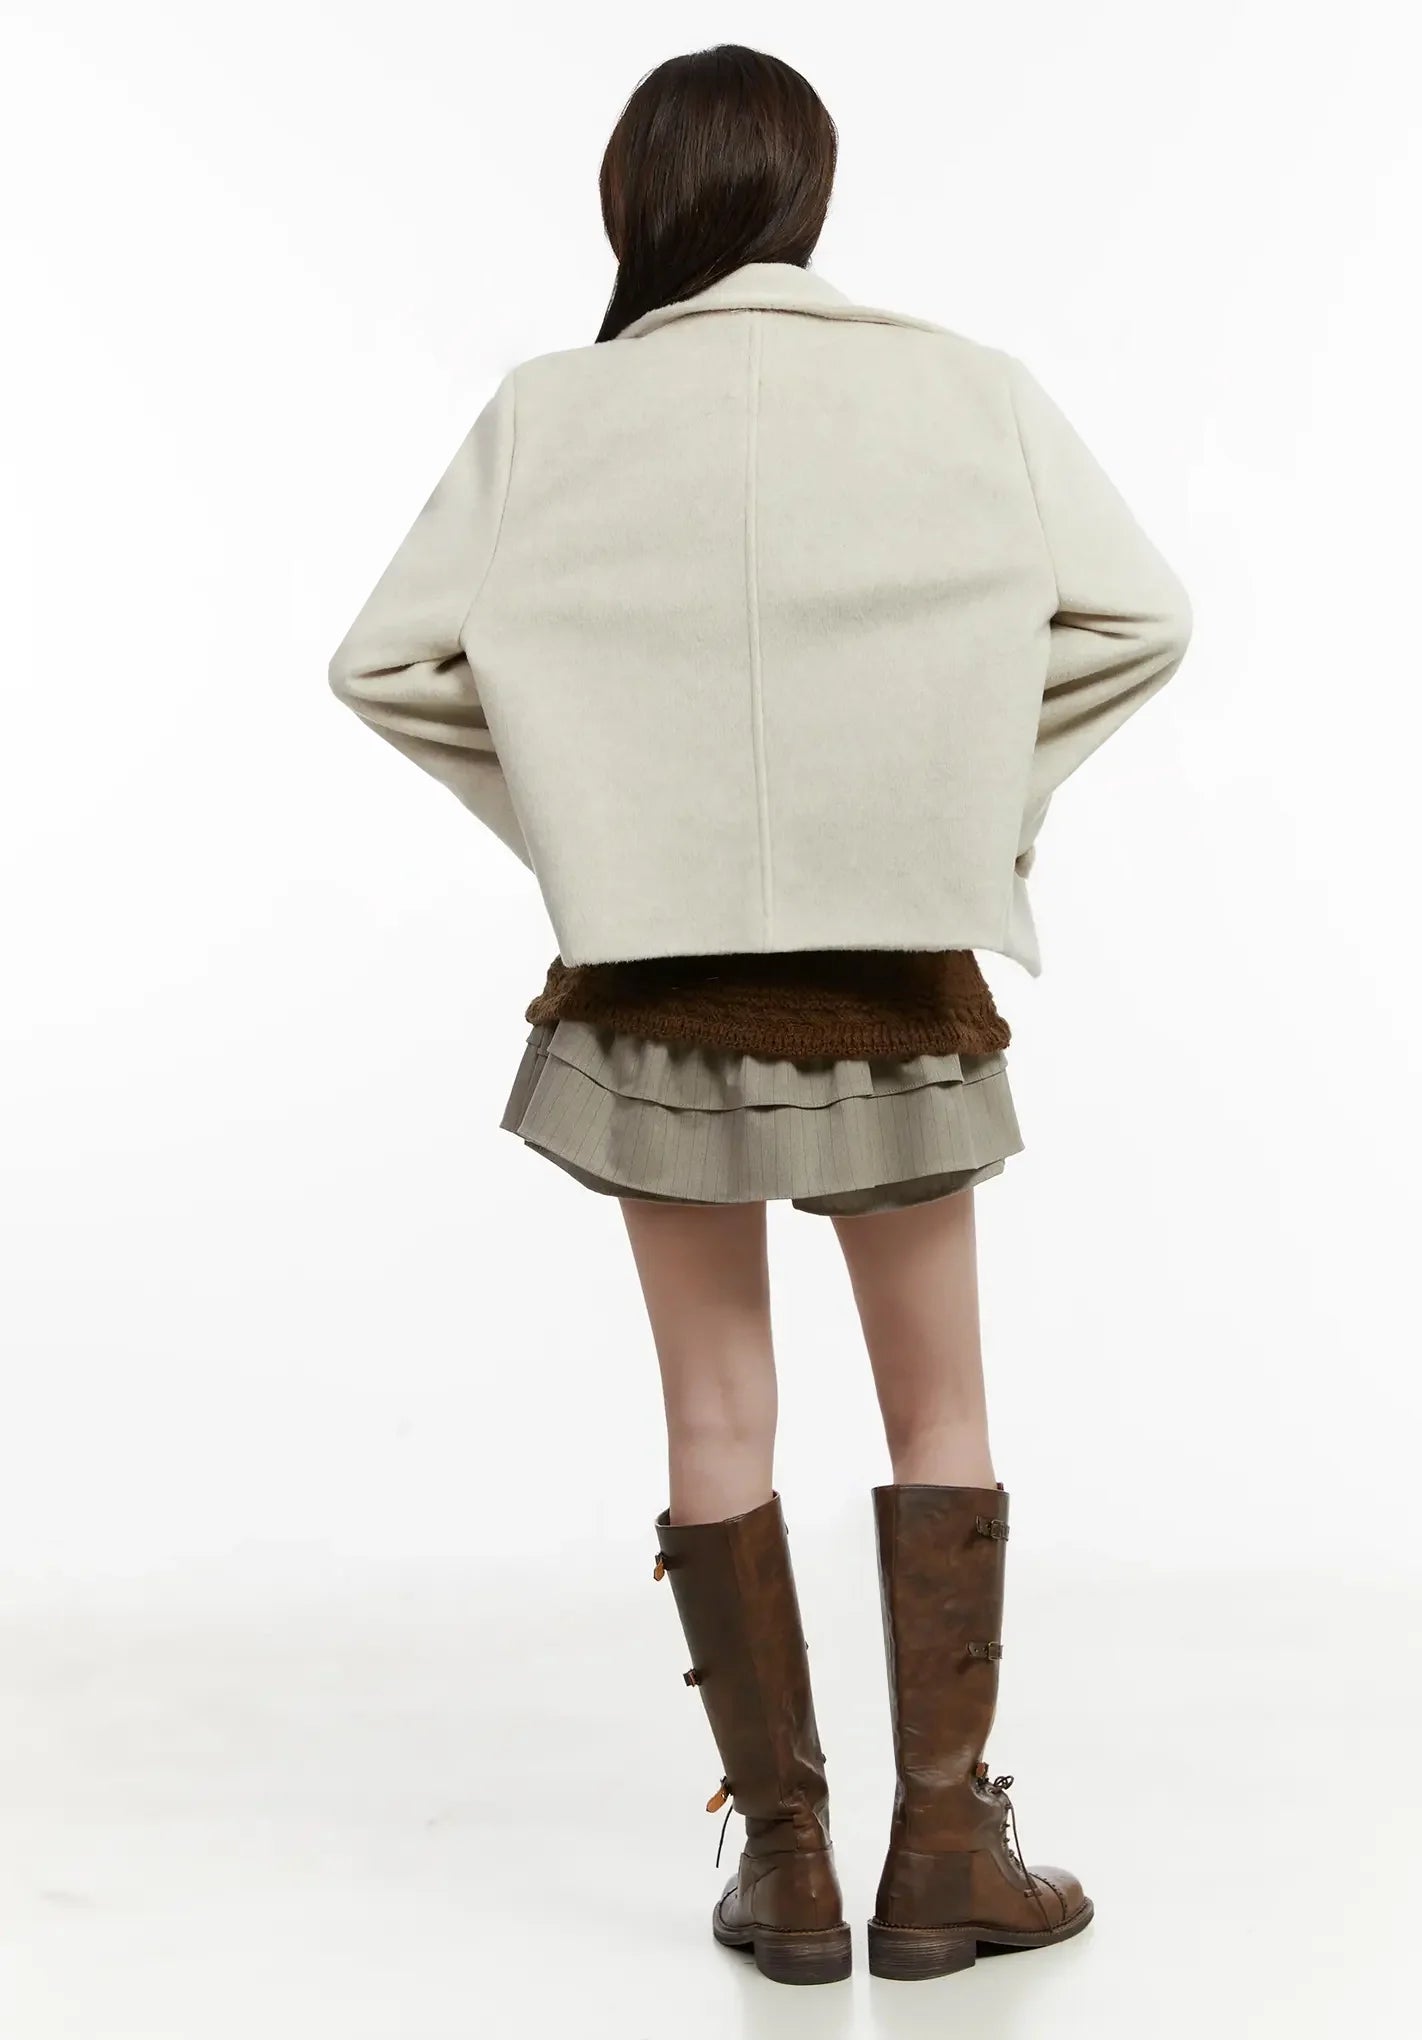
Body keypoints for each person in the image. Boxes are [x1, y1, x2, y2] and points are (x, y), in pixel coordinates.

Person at [326, 42, 1192, 1989]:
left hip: (655, 992)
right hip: (896, 987)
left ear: (637, 201)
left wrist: (595, 810)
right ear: (806, 193)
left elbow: (383, 663)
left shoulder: (552, 413)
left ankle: (787, 1866)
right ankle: (944, 1855)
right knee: (940, 1401)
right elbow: (1145, 620)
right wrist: (955, 797)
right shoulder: (967, 388)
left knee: (715, 1411)